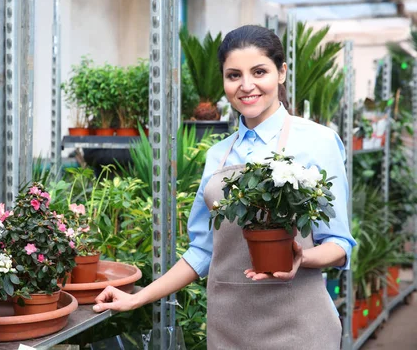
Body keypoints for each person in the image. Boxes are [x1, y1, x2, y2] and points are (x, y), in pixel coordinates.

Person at [92, 25, 356, 349]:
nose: (246, 86)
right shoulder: (218, 155)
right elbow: (202, 251)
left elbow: (339, 243)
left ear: (282, 72)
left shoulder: (317, 141)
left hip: (297, 328)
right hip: (228, 328)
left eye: (259, 71)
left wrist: (301, 258)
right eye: (234, 75)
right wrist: (136, 298)